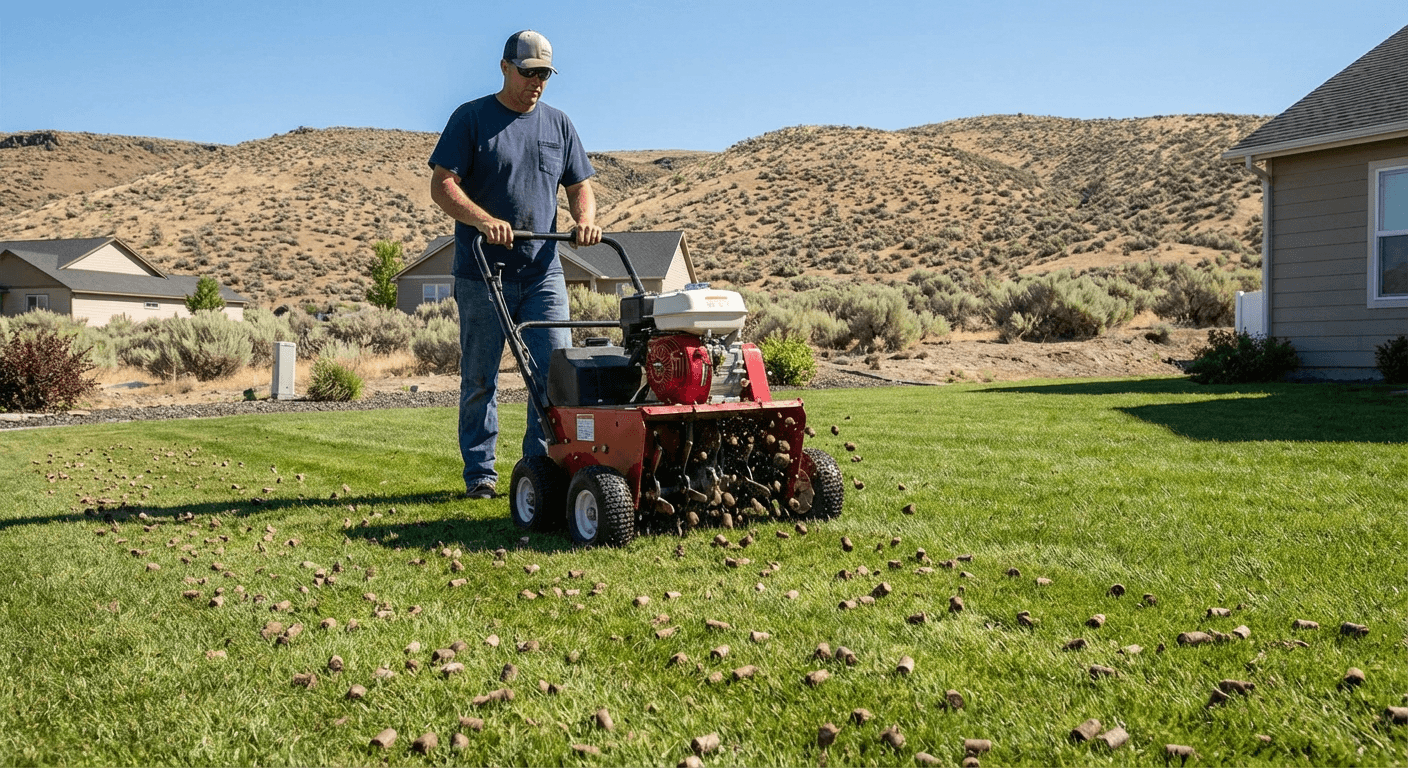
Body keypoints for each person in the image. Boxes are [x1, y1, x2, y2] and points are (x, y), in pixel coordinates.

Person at [428, 29, 602, 499]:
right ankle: (480, 477)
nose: (537, 83)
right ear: (505, 67)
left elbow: (579, 184)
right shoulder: (471, 118)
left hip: (543, 269)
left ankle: (537, 471)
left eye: (544, 74)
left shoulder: (559, 125)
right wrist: (484, 221)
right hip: (484, 270)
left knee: (553, 375)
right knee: (480, 378)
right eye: (528, 73)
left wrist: (584, 220)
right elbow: (442, 183)